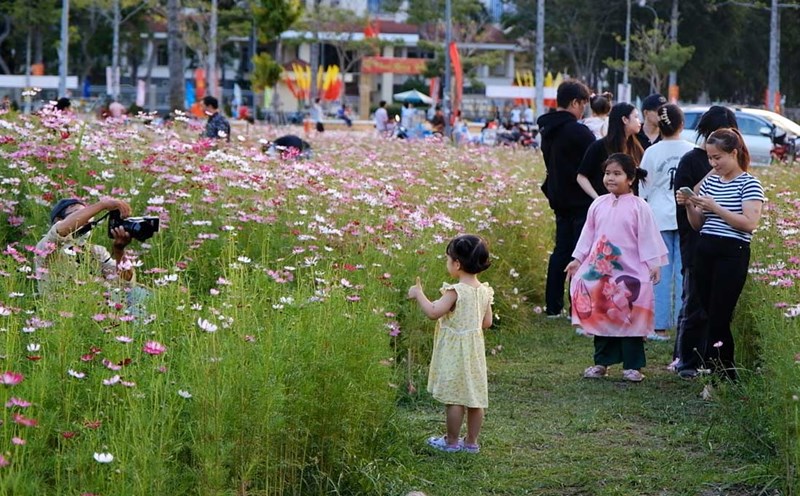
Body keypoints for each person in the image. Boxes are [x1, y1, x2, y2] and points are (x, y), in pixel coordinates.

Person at [566, 153, 668, 382]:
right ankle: (601, 362)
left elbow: (649, 237)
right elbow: (588, 235)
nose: (610, 178)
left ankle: (633, 366)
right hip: (602, 272)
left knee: (631, 315)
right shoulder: (598, 204)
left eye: (617, 174)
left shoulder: (639, 207)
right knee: (601, 314)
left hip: (631, 273)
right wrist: (578, 258)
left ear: (630, 178)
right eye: (607, 173)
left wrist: (654, 264)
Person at [678, 128, 764, 381]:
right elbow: (698, 224)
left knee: (720, 315)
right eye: (710, 158)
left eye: (718, 158)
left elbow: (750, 223)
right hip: (705, 249)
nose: (713, 164)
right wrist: (690, 205)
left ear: (734, 153)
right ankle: (721, 373)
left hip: (732, 253)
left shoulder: (749, 183)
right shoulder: (712, 181)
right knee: (707, 312)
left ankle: (720, 373)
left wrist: (716, 207)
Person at [407, 234, 494, 453]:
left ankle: (452, 442)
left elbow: (433, 312)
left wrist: (419, 294)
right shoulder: (484, 291)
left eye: (448, 259)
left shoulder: (455, 291)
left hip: (456, 351)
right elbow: (487, 322)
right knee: (475, 397)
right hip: (474, 351)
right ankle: (472, 442)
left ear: (457, 264)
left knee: (455, 398)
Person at [673, 106, 738, 378]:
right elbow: (685, 201)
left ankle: (712, 360)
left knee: (719, 308)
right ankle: (686, 360)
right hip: (696, 241)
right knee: (695, 304)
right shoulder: (691, 160)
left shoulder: (735, 165)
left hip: (726, 245)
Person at [536, 80, 596, 318]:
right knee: (580, 254)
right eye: (583, 104)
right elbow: (596, 161)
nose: (584, 110)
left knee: (561, 250)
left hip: (558, 198)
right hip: (580, 200)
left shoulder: (547, 129)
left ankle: (553, 306)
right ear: (574, 102)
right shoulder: (578, 132)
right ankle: (577, 307)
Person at [638, 104, 695, 342]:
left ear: (659, 126)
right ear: (682, 125)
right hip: (686, 217)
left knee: (659, 272)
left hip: (657, 217)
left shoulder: (651, 152)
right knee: (685, 273)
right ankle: (684, 322)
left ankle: (659, 327)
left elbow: (644, 188)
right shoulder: (692, 150)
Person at [34, 198, 136, 295]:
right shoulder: (45, 247)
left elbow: (125, 283)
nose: (87, 220)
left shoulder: (97, 252)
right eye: (79, 214)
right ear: (58, 220)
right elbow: (60, 230)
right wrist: (103, 205)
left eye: (88, 216)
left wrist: (119, 250)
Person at [577, 102, 644, 200]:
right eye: (636, 117)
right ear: (625, 120)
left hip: (629, 205)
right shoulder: (599, 146)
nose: (639, 121)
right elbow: (581, 176)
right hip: (606, 206)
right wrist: (597, 198)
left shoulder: (636, 147)